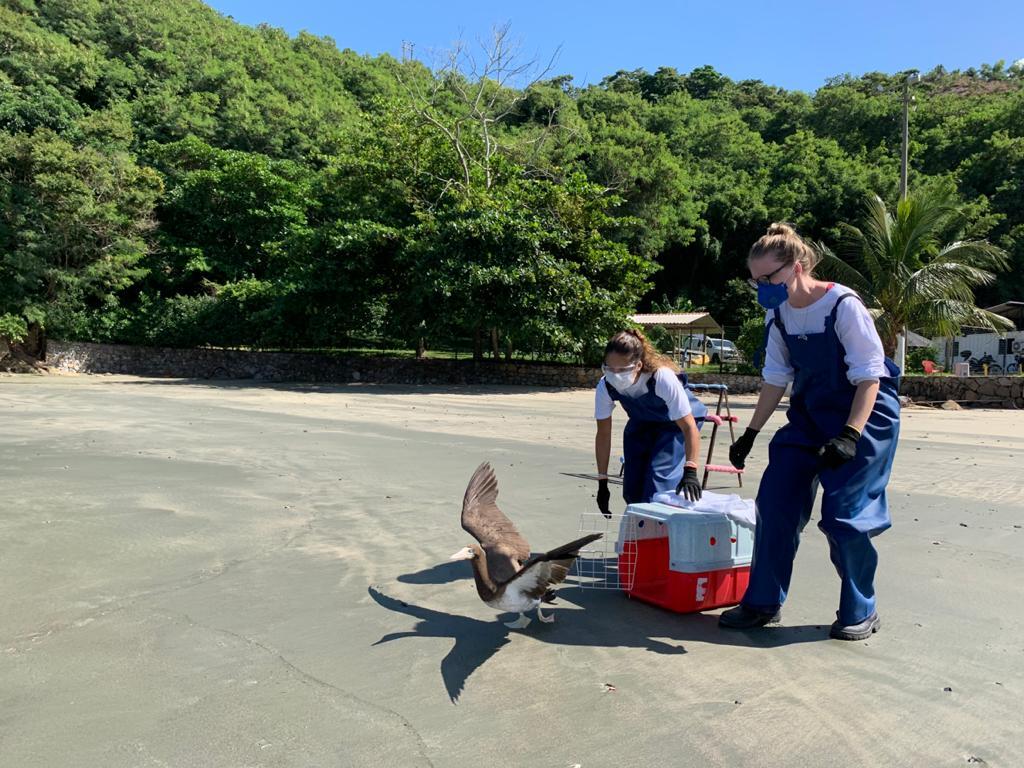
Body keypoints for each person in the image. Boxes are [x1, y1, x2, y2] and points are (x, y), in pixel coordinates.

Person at [720, 223, 900, 641]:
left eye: (769, 278)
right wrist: (750, 433)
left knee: (844, 518)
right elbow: (777, 377)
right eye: (756, 281)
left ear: (797, 267)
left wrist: (851, 435)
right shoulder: (777, 313)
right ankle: (762, 602)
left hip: (864, 415)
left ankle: (861, 608)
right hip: (810, 414)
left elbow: (870, 377)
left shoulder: (843, 305)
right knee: (775, 501)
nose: (762, 287)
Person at [594, 329, 708, 516]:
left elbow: (688, 427)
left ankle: (661, 535)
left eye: (622, 370)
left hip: (676, 425)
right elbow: (603, 434)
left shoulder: (661, 378)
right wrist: (602, 481)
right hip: (642, 422)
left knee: (657, 484)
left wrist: (691, 469)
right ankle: (637, 539)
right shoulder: (605, 386)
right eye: (609, 368)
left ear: (638, 365)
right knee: (633, 489)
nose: (614, 375)